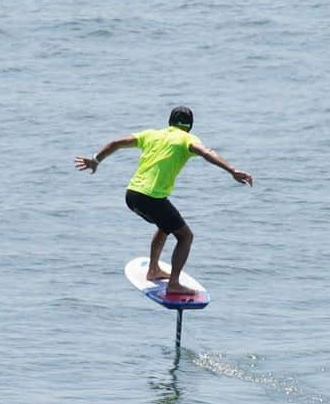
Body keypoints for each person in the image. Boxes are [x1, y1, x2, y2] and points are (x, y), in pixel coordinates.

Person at [74, 106, 253, 295]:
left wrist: (96, 159)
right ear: (190, 126)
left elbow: (116, 143)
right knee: (185, 236)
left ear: (169, 122)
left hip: (132, 194)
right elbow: (207, 152)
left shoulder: (151, 135)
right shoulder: (187, 139)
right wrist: (232, 170)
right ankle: (174, 283)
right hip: (152, 197)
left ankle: (153, 270)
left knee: (166, 224)